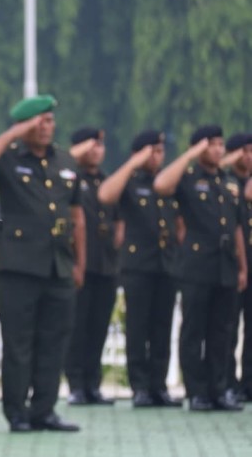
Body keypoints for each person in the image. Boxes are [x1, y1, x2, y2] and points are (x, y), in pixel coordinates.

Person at [0, 94, 84, 433]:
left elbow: (77, 216)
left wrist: (79, 262)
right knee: (18, 343)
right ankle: (16, 412)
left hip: (59, 266)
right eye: (39, 121)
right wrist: (13, 134)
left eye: (49, 120)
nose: (46, 127)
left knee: (54, 341)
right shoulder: (8, 157)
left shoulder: (65, 160)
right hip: (19, 267)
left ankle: (44, 409)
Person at [153, 125, 247, 412]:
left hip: (225, 265)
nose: (218, 150)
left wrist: (242, 267)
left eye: (220, 144)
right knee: (194, 330)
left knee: (222, 332)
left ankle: (219, 390)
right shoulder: (188, 178)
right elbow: (161, 185)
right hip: (197, 264)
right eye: (211, 145)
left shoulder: (228, 182)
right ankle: (197, 391)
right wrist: (190, 155)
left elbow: (237, 227)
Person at [97, 130, 182, 408]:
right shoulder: (130, 182)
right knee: (138, 327)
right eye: (152, 151)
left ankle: (159, 386)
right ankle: (140, 387)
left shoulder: (166, 183)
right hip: (138, 266)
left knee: (162, 327)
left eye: (160, 151)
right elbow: (106, 194)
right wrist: (134, 162)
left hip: (166, 264)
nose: (158, 156)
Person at [64, 128, 121, 406]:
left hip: (106, 264)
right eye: (91, 145)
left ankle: (93, 384)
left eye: (100, 145)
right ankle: (76, 384)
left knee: (99, 327)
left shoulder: (107, 181)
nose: (97, 151)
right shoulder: (69, 178)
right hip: (79, 265)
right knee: (77, 327)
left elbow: (118, 219)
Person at [222, 133, 252, 400]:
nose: (249, 156)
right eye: (244, 151)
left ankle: (249, 384)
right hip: (231, 263)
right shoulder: (224, 180)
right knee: (227, 327)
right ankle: (227, 382)